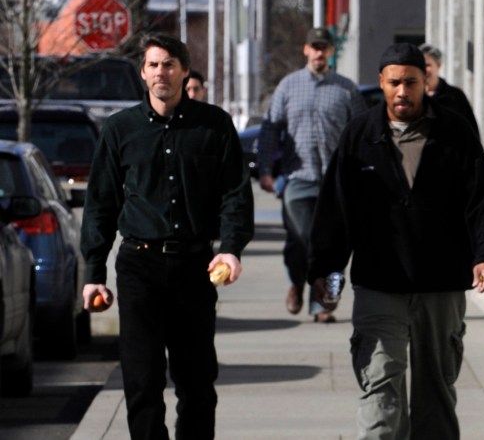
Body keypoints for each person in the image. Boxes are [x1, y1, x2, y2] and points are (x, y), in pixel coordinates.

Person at [308, 42, 484, 439]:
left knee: (436, 391)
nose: (403, 91)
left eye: (411, 82)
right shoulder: (359, 134)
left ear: (425, 81)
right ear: (381, 82)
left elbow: (482, 198)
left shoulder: (454, 131)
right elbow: (334, 210)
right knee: (379, 387)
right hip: (380, 283)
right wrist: (325, 275)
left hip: (441, 284)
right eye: (395, 82)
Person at [80, 32, 254, 440]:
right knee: (142, 382)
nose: (162, 72)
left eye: (169, 64)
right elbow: (101, 202)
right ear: (143, 73)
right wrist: (93, 272)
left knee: (196, 383)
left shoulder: (213, 125)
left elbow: (235, 193)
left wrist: (230, 249)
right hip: (139, 265)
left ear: (184, 71)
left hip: (196, 267)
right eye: (154, 64)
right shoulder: (120, 129)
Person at [257, 26, 368, 322]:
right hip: (298, 179)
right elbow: (270, 129)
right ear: (306, 50)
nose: (319, 52)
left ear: (331, 52)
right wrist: (265, 170)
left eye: (324, 47)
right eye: (314, 47)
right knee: (301, 240)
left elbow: (362, 135)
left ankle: (323, 302)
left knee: (336, 244)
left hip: (336, 183)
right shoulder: (288, 86)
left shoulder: (346, 89)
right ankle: (297, 282)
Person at [418, 43, 480, 138]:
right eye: (421, 66)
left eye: (428, 65)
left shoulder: (455, 96)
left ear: (438, 65)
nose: (425, 70)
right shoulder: (414, 97)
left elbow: (471, 131)